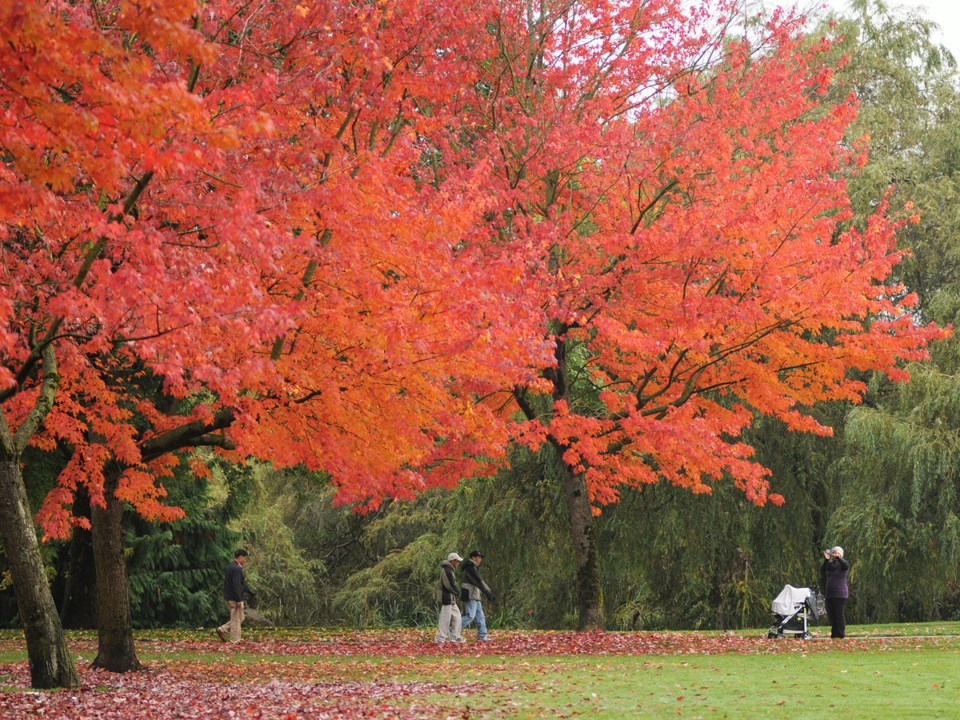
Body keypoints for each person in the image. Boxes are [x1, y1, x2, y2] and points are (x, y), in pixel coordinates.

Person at [217, 548, 252, 643]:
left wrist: (249, 591)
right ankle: (235, 640)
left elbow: (237, 584)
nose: (245, 561)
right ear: (240, 557)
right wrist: (239, 599)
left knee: (240, 617)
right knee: (236, 620)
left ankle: (222, 629)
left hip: (229, 596)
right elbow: (236, 585)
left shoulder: (230, 566)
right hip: (234, 598)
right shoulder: (236, 569)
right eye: (245, 558)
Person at [460, 550, 496, 642]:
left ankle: (482, 636)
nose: (480, 560)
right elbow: (479, 581)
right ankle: (452, 630)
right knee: (470, 616)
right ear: (473, 558)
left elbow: (478, 582)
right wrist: (488, 591)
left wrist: (487, 592)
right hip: (470, 595)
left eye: (480, 558)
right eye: (478, 557)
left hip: (475, 595)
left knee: (480, 616)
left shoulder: (473, 567)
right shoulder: (470, 568)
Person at [434, 552, 466, 642]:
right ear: (453, 561)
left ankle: (455, 636)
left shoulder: (449, 569)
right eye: (457, 561)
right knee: (445, 619)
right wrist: (458, 592)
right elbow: (450, 585)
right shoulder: (447, 570)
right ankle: (440, 638)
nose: (458, 563)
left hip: (451, 598)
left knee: (457, 617)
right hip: (446, 598)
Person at [820, 545, 850, 639]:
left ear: (840, 554)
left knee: (839, 614)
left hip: (840, 593)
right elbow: (823, 570)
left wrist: (838, 557)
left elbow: (846, 565)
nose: (833, 553)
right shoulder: (830, 564)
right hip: (830, 593)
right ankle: (834, 633)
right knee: (832, 615)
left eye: (835, 552)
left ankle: (841, 634)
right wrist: (826, 559)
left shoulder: (843, 564)